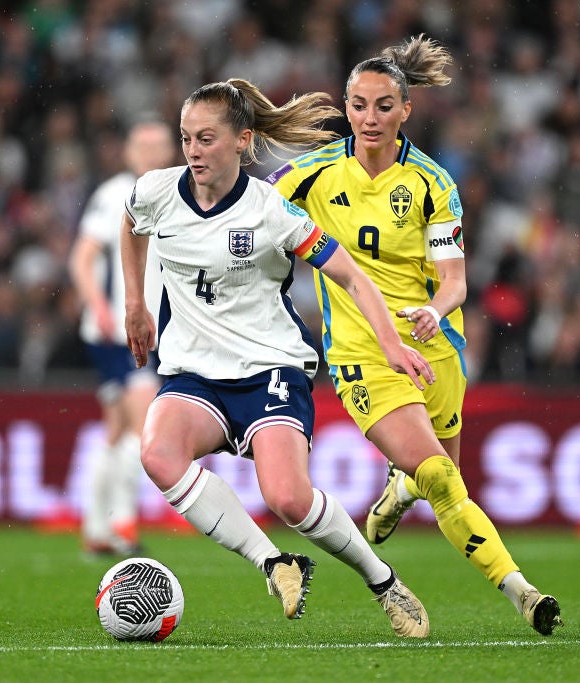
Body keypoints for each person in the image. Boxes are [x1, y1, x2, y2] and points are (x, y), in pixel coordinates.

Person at [120, 79, 437, 638]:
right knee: (158, 454)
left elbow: (351, 276)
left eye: (207, 139)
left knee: (289, 498)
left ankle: (383, 580)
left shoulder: (271, 212)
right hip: (195, 372)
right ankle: (276, 563)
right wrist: (134, 303)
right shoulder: (157, 191)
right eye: (186, 138)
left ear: (242, 141)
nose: (193, 151)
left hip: (269, 368)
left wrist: (390, 343)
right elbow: (130, 222)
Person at [269, 35, 563, 635]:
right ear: (345, 108)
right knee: (441, 476)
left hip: (436, 348)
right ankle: (524, 593)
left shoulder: (433, 183)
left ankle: (397, 493)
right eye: (357, 105)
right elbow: (248, 212)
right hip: (361, 354)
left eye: (382, 105)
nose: (368, 118)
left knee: (436, 481)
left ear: (406, 109)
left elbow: (455, 281)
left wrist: (434, 309)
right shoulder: (310, 175)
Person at [68, 120, 176, 556]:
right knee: (144, 425)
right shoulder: (114, 195)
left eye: (158, 144)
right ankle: (124, 524)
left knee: (115, 430)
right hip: (120, 331)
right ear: (128, 152)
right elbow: (82, 258)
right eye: (141, 144)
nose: (150, 152)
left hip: (149, 330)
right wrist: (98, 306)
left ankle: (96, 528)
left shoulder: (177, 190)